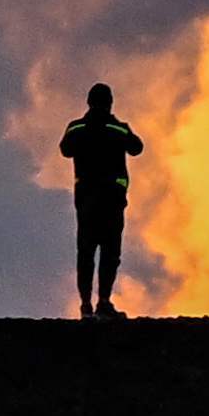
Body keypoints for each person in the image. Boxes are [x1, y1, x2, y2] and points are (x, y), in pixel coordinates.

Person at [60, 81, 145, 320]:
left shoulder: (76, 128)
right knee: (110, 251)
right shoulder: (117, 128)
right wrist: (118, 126)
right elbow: (137, 148)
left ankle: (86, 305)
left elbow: (65, 149)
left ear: (89, 102)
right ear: (109, 103)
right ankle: (103, 302)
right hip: (111, 200)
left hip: (86, 199)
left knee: (86, 252)